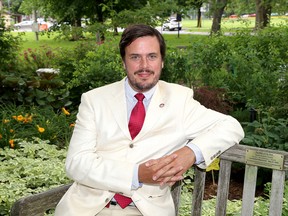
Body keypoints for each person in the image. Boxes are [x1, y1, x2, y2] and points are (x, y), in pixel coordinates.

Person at [55, 24, 244, 216]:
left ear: (162, 61)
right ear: (123, 62)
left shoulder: (180, 100)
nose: (144, 66)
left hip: (144, 209)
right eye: (135, 57)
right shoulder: (94, 100)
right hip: (86, 208)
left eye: (152, 56)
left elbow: (231, 126)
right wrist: (136, 174)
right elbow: (76, 163)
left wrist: (190, 153)